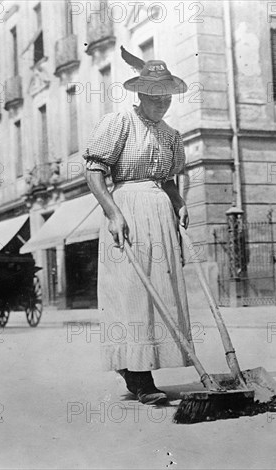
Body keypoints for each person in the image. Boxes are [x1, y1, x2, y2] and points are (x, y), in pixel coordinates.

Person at [83, 49, 192, 405]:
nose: (160, 103)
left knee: (160, 289)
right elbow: (94, 172)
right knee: (131, 291)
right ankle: (137, 376)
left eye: (166, 97)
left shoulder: (172, 135)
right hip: (127, 211)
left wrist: (179, 203)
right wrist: (114, 214)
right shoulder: (118, 123)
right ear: (140, 94)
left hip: (160, 214)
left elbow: (170, 179)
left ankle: (145, 366)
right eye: (153, 96)